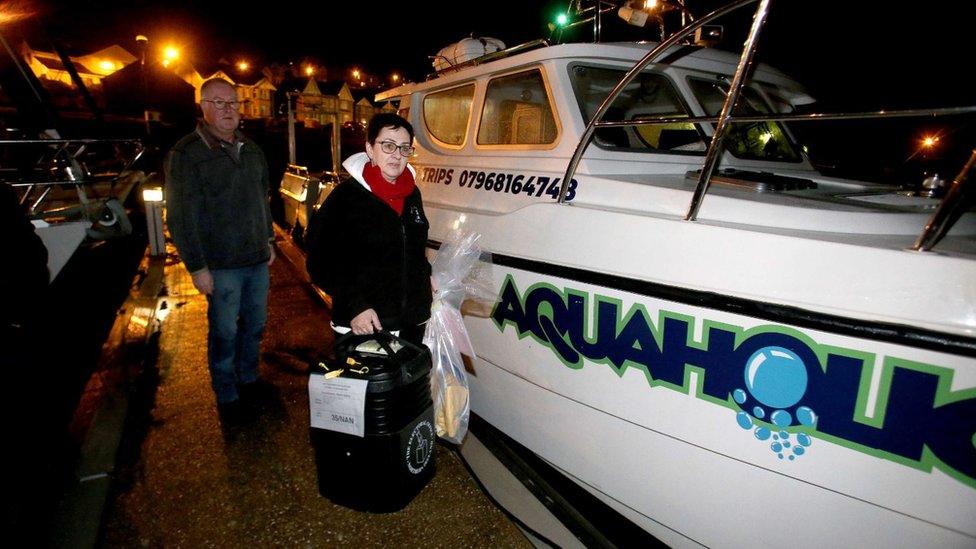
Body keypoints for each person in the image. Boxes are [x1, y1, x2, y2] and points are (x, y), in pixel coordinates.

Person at [165, 78, 276, 416]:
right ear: (203, 107)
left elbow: (264, 199)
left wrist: (269, 240)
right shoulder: (187, 154)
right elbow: (181, 215)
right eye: (219, 103)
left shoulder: (252, 149)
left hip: (257, 259)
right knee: (225, 330)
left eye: (233, 103)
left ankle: (249, 375)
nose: (228, 110)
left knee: (255, 325)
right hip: (221, 265)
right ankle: (225, 388)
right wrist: (197, 266)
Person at [306, 113, 432, 345]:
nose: (397, 154)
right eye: (388, 145)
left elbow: (412, 249)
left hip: (411, 324)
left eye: (405, 148)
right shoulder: (346, 197)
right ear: (370, 149)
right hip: (365, 325)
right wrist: (355, 305)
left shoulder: (412, 194)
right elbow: (320, 260)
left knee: (411, 382)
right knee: (371, 383)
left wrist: (426, 278)